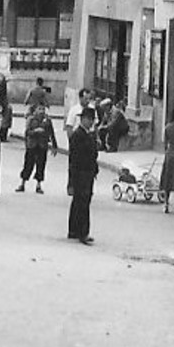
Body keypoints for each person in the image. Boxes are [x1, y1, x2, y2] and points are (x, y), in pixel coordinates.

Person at [66, 104, 98, 244]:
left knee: (78, 202)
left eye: (92, 119)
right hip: (81, 173)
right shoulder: (78, 135)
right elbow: (75, 159)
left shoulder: (88, 135)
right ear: (82, 119)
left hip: (87, 172)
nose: (91, 122)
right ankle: (82, 232)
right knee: (83, 202)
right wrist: (72, 179)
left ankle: (73, 230)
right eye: (88, 119)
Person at [16, 103, 59, 194]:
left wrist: (54, 146)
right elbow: (27, 132)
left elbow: (51, 133)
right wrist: (35, 131)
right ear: (35, 110)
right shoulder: (31, 119)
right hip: (32, 145)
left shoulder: (47, 120)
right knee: (28, 164)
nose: (42, 111)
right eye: (39, 109)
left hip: (42, 145)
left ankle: (38, 185)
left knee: (41, 165)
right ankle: (22, 183)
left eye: (43, 109)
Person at [0, 77, 13, 142]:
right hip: (2, 104)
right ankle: (2, 135)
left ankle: (1, 134)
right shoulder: (2, 93)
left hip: (2, 104)